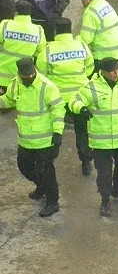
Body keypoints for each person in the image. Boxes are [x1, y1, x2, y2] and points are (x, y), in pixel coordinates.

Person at [68, 57, 118, 217]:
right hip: (101, 142)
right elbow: (73, 101)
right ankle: (105, 200)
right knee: (104, 174)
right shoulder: (91, 87)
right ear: (103, 72)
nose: (116, 73)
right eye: (113, 70)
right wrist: (81, 108)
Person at [0, 58, 65, 217]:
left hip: (44, 140)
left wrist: (57, 133)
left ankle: (52, 201)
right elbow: (9, 99)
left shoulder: (47, 86)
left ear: (35, 69)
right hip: (25, 139)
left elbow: (58, 109)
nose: (29, 78)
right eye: (25, 76)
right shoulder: (16, 84)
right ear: (20, 74)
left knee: (46, 171)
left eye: (31, 74)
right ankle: (41, 186)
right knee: (24, 167)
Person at [35, 17, 95, 175]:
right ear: (70, 30)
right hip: (80, 98)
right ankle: (86, 161)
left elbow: (41, 75)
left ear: (55, 31)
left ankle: (48, 162)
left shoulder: (48, 50)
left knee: (55, 130)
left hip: (58, 100)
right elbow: (89, 68)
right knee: (82, 131)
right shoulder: (82, 46)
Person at [77, 0, 118, 73]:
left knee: (90, 75)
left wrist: (71, 42)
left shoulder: (90, 12)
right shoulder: (104, 3)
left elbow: (86, 39)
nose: (82, 1)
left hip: (104, 52)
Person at [0, 1, 46, 92]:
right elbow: (40, 55)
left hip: (1, 80)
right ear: (30, 14)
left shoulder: (5, 25)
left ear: (15, 12)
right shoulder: (38, 30)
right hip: (23, 79)